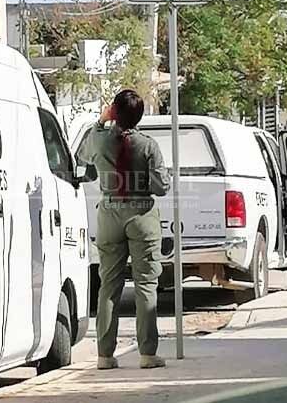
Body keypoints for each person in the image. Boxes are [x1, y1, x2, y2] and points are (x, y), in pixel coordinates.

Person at [78, 89, 170, 370]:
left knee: (108, 285)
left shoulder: (99, 139)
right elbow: (162, 187)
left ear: (114, 113)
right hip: (142, 213)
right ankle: (147, 353)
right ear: (140, 115)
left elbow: (83, 156)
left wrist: (100, 121)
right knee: (146, 285)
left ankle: (105, 356)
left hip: (109, 213)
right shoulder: (148, 146)